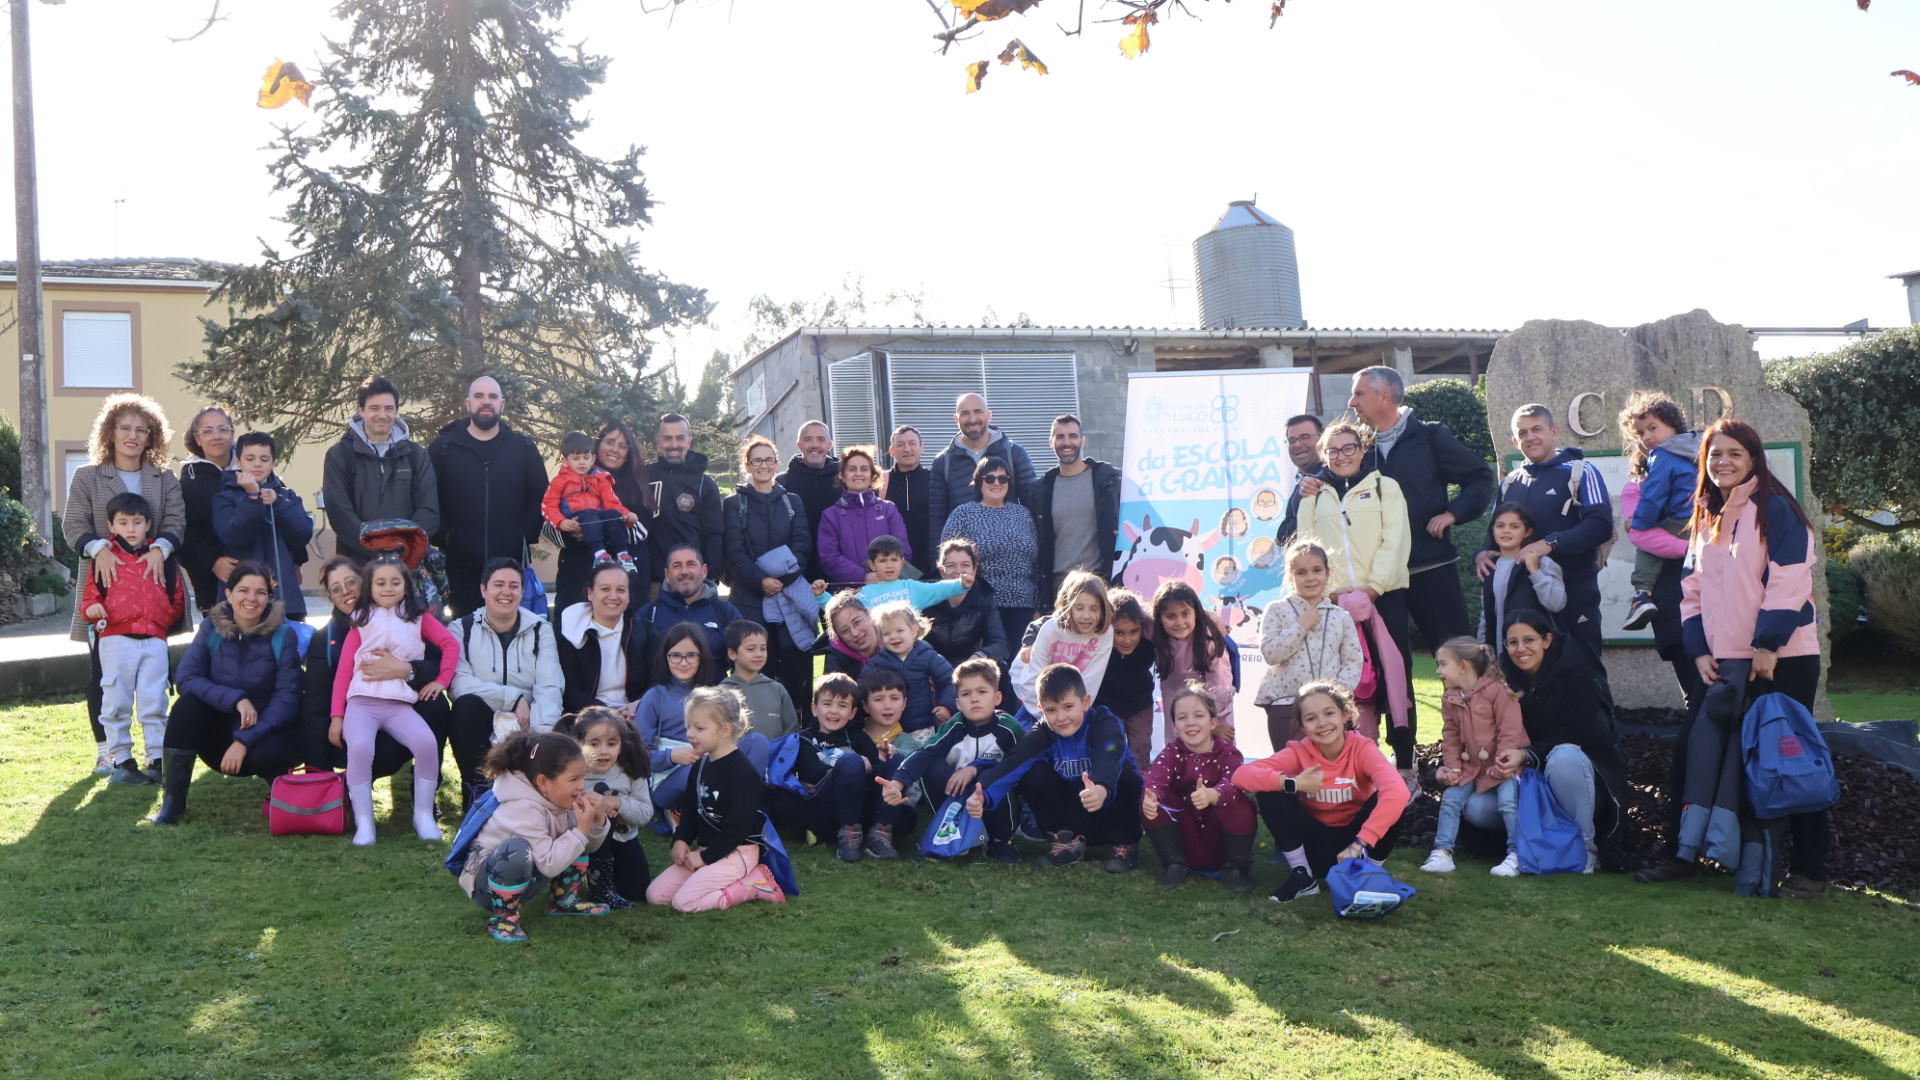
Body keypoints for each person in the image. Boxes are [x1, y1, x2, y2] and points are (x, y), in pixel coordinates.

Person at [1640, 418, 1829, 899]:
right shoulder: (1705, 516)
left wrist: (1767, 645)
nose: (1723, 462)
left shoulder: (1777, 509)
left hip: (1781, 658)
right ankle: (1682, 857)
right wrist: (1699, 650)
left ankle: (1809, 871)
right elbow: (1691, 590)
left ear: (1753, 459)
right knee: (1691, 753)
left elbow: (1790, 581)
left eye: (1734, 454)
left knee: (1787, 761)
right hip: (1722, 663)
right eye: (1715, 454)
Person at [1343, 364, 1494, 708]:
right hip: (1379, 580)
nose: (1352, 403)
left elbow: (1479, 476)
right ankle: (1401, 742)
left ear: (1384, 397)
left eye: (1359, 394)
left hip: (1432, 567)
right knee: (1390, 667)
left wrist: (1453, 513)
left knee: (1459, 659)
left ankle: (1475, 734)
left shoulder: (1431, 437)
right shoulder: (1358, 449)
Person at [65, 394, 186, 776]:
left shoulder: (164, 478)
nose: (133, 436)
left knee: (153, 675)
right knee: (103, 673)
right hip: (104, 583)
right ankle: (109, 752)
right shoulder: (87, 475)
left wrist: (160, 548)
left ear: (152, 436)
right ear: (111, 432)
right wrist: (98, 548)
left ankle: (155, 751)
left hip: (153, 582)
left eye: (141, 429)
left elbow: (176, 521)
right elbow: (74, 524)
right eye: (125, 428)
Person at [1292, 420, 1414, 766]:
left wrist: (1373, 589)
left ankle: (1405, 764)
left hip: (1384, 599)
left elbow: (1395, 540)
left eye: (1349, 448)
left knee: (1395, 681)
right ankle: (1352, 763)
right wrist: (1331, 595)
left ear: (1362, 450)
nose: (1341, 456)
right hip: (1335, 606)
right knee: (1345, 685)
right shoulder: (1314, 495)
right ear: (1323, 455)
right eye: (1332, 450)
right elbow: (1308, 549)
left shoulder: (1385, 487)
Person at [151, 562, 305, 826]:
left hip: (264, 734)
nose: (251, 598)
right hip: (218, 736)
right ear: (229, 594)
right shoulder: (211, 628)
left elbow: (287, 699)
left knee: (270, 754)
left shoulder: (284, 635)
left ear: (268, 597)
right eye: (243, 590)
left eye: (260, 592)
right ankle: (173, 803)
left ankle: (281, 790)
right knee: (186, 707)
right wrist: (236, 699)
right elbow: (186, 678)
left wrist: (244, 741)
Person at [1233, 680, 1409, 903]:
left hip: (1354, 847)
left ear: (1345, 714)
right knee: (1269, 790)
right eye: (1311, 718)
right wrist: (1294, 783)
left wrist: (1359, 844)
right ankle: (1303, 876)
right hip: (1314, 846)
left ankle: (1366, 873)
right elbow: (1241, 776)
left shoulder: (1362, 749)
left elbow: (1398, 791)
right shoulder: (1299, 751)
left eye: (1329, 713)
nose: (1322, 723)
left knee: (1394, 799)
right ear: (1303, 727)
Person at [328, 552, 458, 845]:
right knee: (360, 748)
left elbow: (450, 644)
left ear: (406, 586)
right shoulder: (360, 620)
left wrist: (442, 681)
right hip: (362, 704)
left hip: (399, 706)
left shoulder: (419, 618)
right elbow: (344, 672)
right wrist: (337, 716)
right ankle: (365, 824)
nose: (388, 588)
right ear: (370, 587)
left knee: (426, 744)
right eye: (381, 583)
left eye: (395, 582)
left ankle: (422, 816)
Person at [965, 663, 1144, 872]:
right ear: (1041, 709)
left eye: (1068, 707)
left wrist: (1101, 787)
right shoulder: (1042, 733)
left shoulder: (1103, 721)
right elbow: (1012, 763)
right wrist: (983, 794)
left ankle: (1125, 843)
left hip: (1107, 808)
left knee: (1124, 772)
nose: (1061, 717)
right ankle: (1067, 841)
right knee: (1032, 773)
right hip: (1075, 813)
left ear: (1085, 702)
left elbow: (1109, 756)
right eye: (1051, 710)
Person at [1497, 610, 1630, 874]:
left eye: (1529, 640)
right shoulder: (1503, 680)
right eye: (1513, 642)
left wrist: (1527, 754)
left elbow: (1580, 732)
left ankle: (1585, 847)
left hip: (1581, 779)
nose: (1520, 649)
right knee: (1478, 809)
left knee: (1564, 757)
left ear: (1546, 640)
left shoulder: (1577, 675)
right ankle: (1525, 847)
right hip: (1530, 776)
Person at [1474, 404, 1610, 656]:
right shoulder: (1510, 482)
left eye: (1537, 429)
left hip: (1574, 588)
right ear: (1515, 441)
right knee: (1520, 669)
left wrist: (1550, 543)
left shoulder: (1580, 471)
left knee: (1582, 665)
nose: (1530, 437)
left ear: (1554, 432)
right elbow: (1495, 530)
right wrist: (1482, 553)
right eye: (1522, 433)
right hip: (1521, 596)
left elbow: (1601, 525)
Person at [453, 730, 613, 943]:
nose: (582, 785)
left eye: (583, 777)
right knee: (517, 850)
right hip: (488, 889)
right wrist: (580, 831)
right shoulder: (524, 809)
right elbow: (549, 865)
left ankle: (564, 901)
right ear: (543, 782)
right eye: (574, 779)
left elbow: (586, 846)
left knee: (573, 837)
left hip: (530, 872)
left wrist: (597, 820)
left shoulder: (556, 796)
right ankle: (504, 919)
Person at [302, 556, 454, 781]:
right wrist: (319, 779)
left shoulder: (410, 617)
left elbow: (437, 661)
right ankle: (350, 788)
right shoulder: (325, 638)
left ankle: (425, 788)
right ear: (330, 596)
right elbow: (316, 703)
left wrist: (407, 669)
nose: (345, 591)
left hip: (401, 708)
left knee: (436, 704)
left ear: (366, 582)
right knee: (371, 749)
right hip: (351, 720)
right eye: (336, 589)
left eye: (351, 582)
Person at [647, 687, 789, 910]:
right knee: (655, 895)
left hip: (738, 851)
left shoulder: (743, 773)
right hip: (708, 850)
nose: (690, 734)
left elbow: (738, 827)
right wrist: (681, 840)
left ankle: (755, 883)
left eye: (699, 728)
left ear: (725, 729)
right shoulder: (700, 765)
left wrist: (705, 858)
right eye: (688, 727)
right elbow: (690, 810)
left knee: (684, 902)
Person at [80, 492, 186, 784]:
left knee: (155, 699)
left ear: (148, 524)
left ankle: (157, 757)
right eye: (123, 522)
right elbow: (88, 599)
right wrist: (93, 609)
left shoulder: (164, 560)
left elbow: (177, 600)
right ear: (111, 526)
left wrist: (160, 619)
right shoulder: (103, 560)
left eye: (137, 522)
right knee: (116, 701)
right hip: (115, 640)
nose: (131, 528)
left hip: (154, 640)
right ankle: (122, 761)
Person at [877, 657, 1025, 862]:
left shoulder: (1010, 728)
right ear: (958, 703)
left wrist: (976, 770)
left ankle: (1002, 840)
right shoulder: (955, 726)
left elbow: (1017, 765)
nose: (974, 699)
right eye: (966, 694)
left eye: (982, 692)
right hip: (958, 794)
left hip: (992, 797)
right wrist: (897, 782)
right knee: (932, 764)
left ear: (997, 697)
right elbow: (924, 752)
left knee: (998, 778)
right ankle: (949, 830)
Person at [446, 557, 564, 810]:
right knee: (465, 706)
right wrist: (512, 698)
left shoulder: (540, 629)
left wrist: (541, 737)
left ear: (522, 591)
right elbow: (458, 684)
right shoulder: (461, 629)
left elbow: (549, 686)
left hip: (527, 721)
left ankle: (531, 787)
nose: (506, 592)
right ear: (483, 590)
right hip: (483, 719)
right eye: (498, 585)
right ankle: (476, 790)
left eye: (514, 586)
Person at [430, 375, 548, 619]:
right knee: (465, 632)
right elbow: (428, 496)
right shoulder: (442, 449)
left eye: (493, 396)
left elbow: (540, 496)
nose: (486, 401)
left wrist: (523, 535)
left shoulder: (523, 448)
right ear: (468, 403)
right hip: (459, 566)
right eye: (479, 396)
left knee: (509, 633)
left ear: (502, 405)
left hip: (509, 566)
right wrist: (445, 536)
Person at [723, 434, 817, 724]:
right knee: (753, 666)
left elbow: (802, 544)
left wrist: (783, 580)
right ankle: (752, 725)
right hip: (749, 599)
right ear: (747, 465)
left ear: (777, 463)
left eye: (768, 460)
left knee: (795, 666)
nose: (763, 465)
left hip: (789, 597)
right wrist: (761, 581)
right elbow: (734, 551)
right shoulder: (733, 503)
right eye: (756, 461)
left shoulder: (793, 502)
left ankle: (797, 725)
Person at [1420, 638, 1527, 878]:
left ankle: (1518, 854)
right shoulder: (1450, 697)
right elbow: (1451, 735)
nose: (1438, 671)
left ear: (1463, 666)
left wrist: (1503, 763)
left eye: (1443, 664)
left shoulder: (1497, 691)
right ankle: (1443, 852)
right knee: (1451, 798)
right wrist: (1453, 767)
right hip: (1472, 767)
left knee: (1508, 802)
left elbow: (1510, 730)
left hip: (1504, 766)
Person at [1140, 682, 1256, 893]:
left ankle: (1236, 868)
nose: (1190, 722)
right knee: (1152, 797)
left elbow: (1233, 783)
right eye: (1182, 717)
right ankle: (1174, 863)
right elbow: (1156, 779)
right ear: (1174, 726)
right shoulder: (1170, 753)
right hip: (1185, 837)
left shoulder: (1229, 754)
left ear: (1213, 722)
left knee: (1240, 802)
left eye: (1198, 715)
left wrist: (1214, 794)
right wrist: (1152, 796)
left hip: (1220, 840)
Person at [1256, 541, 1365, 750]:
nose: (1310, 578)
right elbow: (1271, 654)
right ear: (1290, 576)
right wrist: (1301, 626)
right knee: (1292, 766)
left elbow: (1353, 661)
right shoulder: (1276, 610)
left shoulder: (1341, 616)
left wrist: (1335, 697)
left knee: (1332, 766)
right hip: (1286, 705)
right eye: (1301, 572)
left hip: (1330, 708)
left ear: (1327, 573)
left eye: (1317, 570)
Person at [322, 374, 442, 563]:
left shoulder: (416, 456)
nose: (382, 415)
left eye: (389, 408)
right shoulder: (340, 456)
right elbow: (340, 513)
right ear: (361, 410)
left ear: (396, 411)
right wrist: (377, 551)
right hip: (357, 566)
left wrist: (402, 550)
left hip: (406, 566)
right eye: (374, 408)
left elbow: (428, 510)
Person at [770, 671, 887, 862]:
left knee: (906, 819)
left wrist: (868, 762)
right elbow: (813, 775)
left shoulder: (857, 737)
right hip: (824, 802)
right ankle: (846, 835)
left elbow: (875, 770)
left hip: (856, 801)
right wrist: (854, 763)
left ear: (852, 713)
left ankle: (858, 832)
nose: (834, 711)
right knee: (780, 800)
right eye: (827, 704)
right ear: (814, 708)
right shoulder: (804, 739)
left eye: (842, 706)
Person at [939, 456, 1044, 658]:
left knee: (1018, 665)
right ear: (979, 481)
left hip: (1023, 605)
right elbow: (947, 561)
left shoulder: (1023, 515)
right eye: (989, 478)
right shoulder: (963, 514)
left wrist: (1037, 607)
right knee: (986, 665)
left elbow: (1036, 565)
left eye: (1002, 478)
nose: (996, 483)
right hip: (980, 606)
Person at [555, 706, 653, 909]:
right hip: (580, 843)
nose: (603, 751)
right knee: (602, 817)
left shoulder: (631, 770)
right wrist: (589, 809)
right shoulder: (571, 772)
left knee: (637, 891)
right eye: (594, 743)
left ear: (621, 745)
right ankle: (597, 889)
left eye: (612, 743)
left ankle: (602, 880)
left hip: (623, 838)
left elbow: (645, 813)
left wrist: (615, 803)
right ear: (578, 743)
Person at [1618, 392, 1700, 631]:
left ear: (1672, 425)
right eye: (1641, 433)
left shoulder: (1664, 454)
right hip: (1700, 519)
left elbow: (1654, 495)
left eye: (1652, 428)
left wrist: (1638, 521)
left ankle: (1641, 595)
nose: (1647, 437)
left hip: (1682, 520)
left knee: (1646, 538)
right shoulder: (1694, 445)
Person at [212, 432, 315, 620]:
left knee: (287, 638)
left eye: (264, 459)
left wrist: (279, 504)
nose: (257, 464)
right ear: (238, 461)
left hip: (285, 597)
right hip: (242, 600)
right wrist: (252, 498)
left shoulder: (288, 496)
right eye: (250, 458)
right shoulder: (225, 497)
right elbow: (233, 535)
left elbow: (303, 534)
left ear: (273, 463)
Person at [553, 421, 652, 612]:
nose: (615, 449)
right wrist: (569, 529)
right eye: (610, 442)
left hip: (626, 584)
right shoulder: (568, 479)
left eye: (622, 446)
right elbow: (549, 525)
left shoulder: (639, 486)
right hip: (579, 576)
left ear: (629, 452)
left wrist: (593, 528)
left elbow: (641, 532)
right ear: (598, 444)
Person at [1030, 414, 1122, 595]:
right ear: (1051, 442)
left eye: (1072, 436)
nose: (1066, 442)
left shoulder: (1108, 479)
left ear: (1083, 441)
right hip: (1059, 584)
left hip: (1100, 580)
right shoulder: (1040, 490)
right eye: (1060, 437)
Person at [927, 393, 1040, 539]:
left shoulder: (1014, 454)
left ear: (989, 415)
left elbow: (1033, 505)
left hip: (1009, 546)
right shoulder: (943, 462)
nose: (972, 419)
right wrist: (938, 553)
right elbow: (937, 518)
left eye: (978, 412)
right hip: (963, 550)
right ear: (956, 419)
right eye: (965, 413)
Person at [1010, 570, 1115, 719]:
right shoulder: (1051, 629)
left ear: (1103, 608)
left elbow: (1090, 682)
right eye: (1079, 608)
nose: (1086, 616)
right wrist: (1048, 717)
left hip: (1068, 700)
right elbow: (1032, 679)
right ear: (1067, 606)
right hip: (1031, 694)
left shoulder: (1105, 633)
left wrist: (1073, 716)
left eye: (1094, 608)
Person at [643, 413, 724, 596]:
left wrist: (711, 577)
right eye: (667, 438)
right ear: (658, 442)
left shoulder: (705, 484)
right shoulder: (644, 478)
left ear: (689, 441)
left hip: (693, 585)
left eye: (680, 438)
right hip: (654, 585)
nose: (674, 444)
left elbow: (714, 535)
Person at [1477, 501, 1566, 665]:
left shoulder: (1543, 563)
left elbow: (1556, 603)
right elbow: (1487, 614)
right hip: (1502, 657)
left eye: (1514, 526)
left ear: (1527, 532)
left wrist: (1534, 571)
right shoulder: (1490, 567)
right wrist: (1482, 651)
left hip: (1537, 658)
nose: (1506, 531)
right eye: (1500, 526)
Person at [542, 431, 641, 574]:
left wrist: (627, 515)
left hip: (597, 517)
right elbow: (548, 506)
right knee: (589, 514)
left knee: (613, 514)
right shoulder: (559, 481)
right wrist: (560, 521)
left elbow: (612, 503)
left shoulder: (600, 478)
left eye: (586, 457)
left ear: (593, 458)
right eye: (576, 458)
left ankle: (623, 555)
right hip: (575, 518)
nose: (582, 462)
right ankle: (600, 554)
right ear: (565, 461)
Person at [556, 562, 649, 715]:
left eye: (621, 590)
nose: (613, 596)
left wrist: (639, 704)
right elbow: (570, 691)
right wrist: (609, 714)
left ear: (628, 596)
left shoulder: (644, 631)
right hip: (588, 715)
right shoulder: (570, 632)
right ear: (590, 593)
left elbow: (658, 680)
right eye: (605, 589)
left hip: (635, 713)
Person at [634, 543, 743, 669]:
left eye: (691, 564)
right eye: (677, 566)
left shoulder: (726, 612)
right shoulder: (647, 614)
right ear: (667, 575)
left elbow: (743, 661)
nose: (684, 572)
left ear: (704, 571)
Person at [1151, 579, 1236, 739]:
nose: (1179, 622)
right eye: (1171, 616)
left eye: (1185, 614)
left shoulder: (1208, 640)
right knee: (1178, 751)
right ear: (1159, 618)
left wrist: (1213, 722)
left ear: (1196, 613)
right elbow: (1134, 620)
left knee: (1214, 751)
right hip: (1177, 711)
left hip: (1214, 712)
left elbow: (1220, 684)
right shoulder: (1156, 635)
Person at [818, 445, 911, 585]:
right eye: (852, 469)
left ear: (872, 475)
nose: (858, 474)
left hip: (888, 589)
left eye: (864, 469)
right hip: (848, 593)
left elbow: (903, 550)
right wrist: (864, 576)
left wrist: (883, 575)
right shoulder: (830, 515)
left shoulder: (888, 509)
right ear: (842, 475)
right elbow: (829, 558)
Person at [179, 404, 236, 616]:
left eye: (223, 429)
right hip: (213, 584)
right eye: (208, 431)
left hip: (261, 577)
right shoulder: (188, 482)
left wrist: (296, 560)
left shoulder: (254, 466)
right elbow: (185, 534)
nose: (216, 436)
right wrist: (213, 562)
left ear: (232, 433)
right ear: (197, 438)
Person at [923, 539, 1012, 672]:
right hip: (930, 666)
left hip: (969, 667)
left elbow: (1000, 644)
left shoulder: (984, 597)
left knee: (1001, 668)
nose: (959, 571)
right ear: (941, 570)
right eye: (951, 565)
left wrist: (979, 656)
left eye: (965, 565)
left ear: (974, 569)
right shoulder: (924, 595)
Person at [867, 601, 957, 731]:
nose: (893, 637)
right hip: (889, 727)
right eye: (887, 633)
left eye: (899, 630)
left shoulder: (928, 656)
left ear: (914, 631)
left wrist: (946, 706)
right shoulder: (878, 662)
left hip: (923, 725)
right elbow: (863, 687)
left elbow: (950, 680)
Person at [776, 420, 840, 580]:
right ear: (799, 445)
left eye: (821, 439)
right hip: (794, 573)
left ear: (830, 445)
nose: (814, 445)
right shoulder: (782, 483)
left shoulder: (844, 481)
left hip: (839, 572)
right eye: (808, 439)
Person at [1102, 588, 1158, 768]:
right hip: (1107, 706)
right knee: (1110, 752)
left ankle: (1141, 783)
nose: (1127, 640)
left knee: (1140, 750)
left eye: (1134, 632)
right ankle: (1110, 784)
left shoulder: (1149, 643)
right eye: (1119, 633)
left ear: (1143, 627)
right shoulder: (1098, 645)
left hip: (1140, 705)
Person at [720, 619, 801, 740]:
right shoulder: (721, 693)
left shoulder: (777, 690)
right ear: (732, 653)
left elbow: (791, 730)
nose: (758, 654)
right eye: (750, 649)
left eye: (763, 649)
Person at [856, 535, 967, 610]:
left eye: (894, 560)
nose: (889, 565)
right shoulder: (864, 595)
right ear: (872, 565)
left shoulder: (911, 587)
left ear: (901, 563)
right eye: (883, 561)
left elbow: (938, 589)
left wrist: (961, 584)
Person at [880, 424, 934, 578]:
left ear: (922, 448)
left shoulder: (934, 479)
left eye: (912, 443)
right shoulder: (880, 482)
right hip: (892, 564)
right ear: (892, 451)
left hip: (930, 562)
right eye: (900, 444)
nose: (907, 449)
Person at [1274, 413, 1326, 546]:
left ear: (1323, 438)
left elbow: (1290, 534)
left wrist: (1283, 533)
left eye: (1305, 437)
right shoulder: (1302, 478)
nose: (1297, 444)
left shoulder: (1325, 478)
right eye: (1292, 440)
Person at [823, 592, 883, 679]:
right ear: (838, 635)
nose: (855, 633)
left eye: (857, 622)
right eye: (845, 631)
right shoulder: (835, 658)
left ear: (869, 614)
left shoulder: (894, 639)